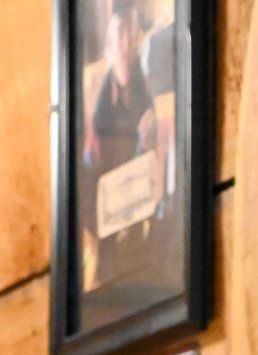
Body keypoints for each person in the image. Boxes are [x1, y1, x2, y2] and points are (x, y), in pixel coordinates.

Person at [81, 0, 157, 288]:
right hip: (112, 224)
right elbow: (89, 182)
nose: (125, 47)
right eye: (118, 39)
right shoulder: (99, 111)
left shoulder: (149, 85)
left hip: (147, 216)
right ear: (109, 49)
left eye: (129, 36)